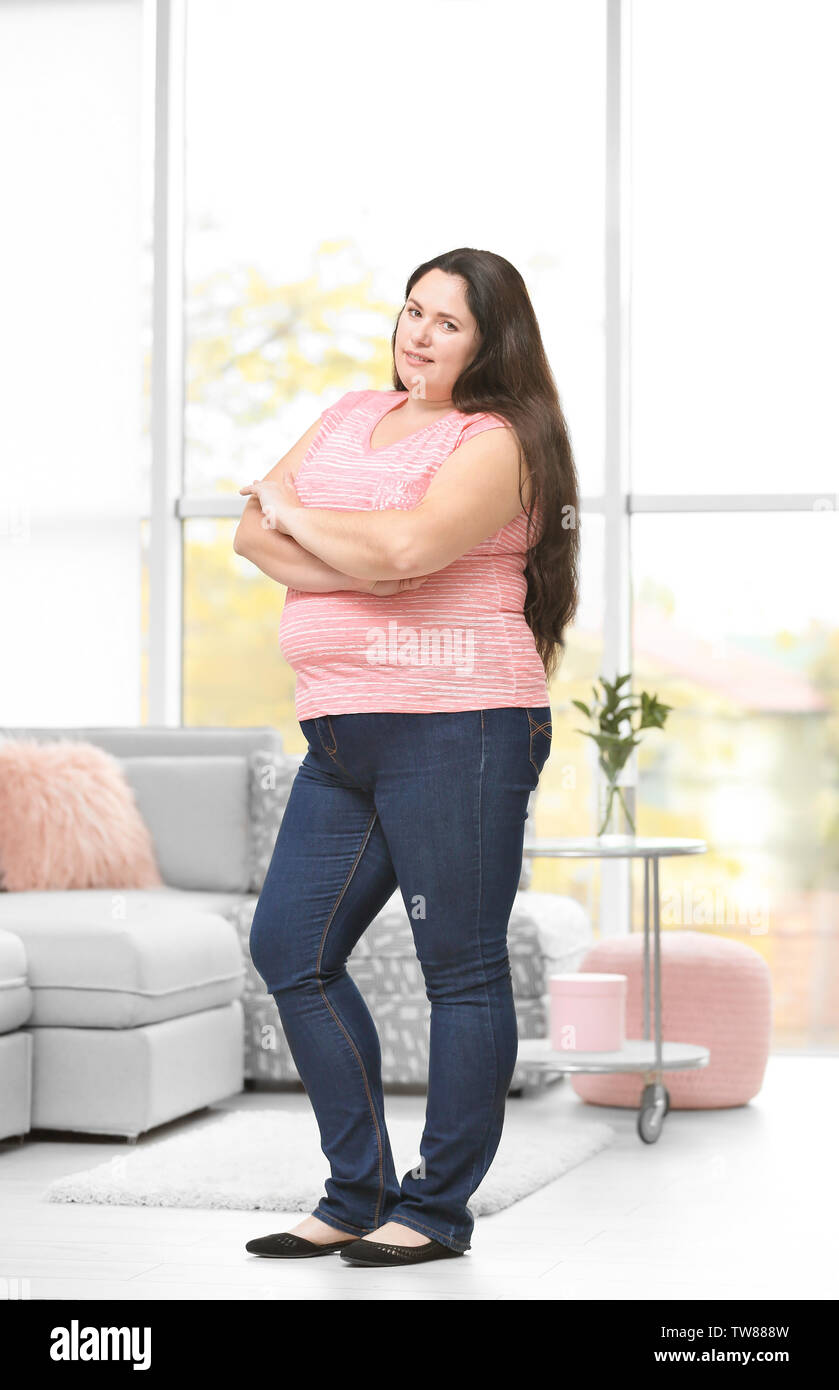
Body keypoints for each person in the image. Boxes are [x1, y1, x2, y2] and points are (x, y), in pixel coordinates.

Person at [234, 248, 580, 1267]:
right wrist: (353, 551)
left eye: (446, 323)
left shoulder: (499, 441)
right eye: (410, 311)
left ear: (489, 342)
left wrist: (307, 519)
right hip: (340, 731)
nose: (416, 335)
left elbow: (404, 554)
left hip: (458, 725)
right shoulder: (348, 413)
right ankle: (354, 1192)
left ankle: (433, 1211)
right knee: (288, 949)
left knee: (459, 970)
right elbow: (251, 537)